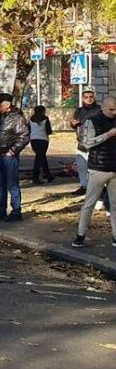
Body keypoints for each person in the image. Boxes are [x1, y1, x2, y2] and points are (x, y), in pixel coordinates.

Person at [71, 95, 116, 249]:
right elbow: (87, 143)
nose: (114, 112)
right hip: (98, 168)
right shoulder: (92, 121)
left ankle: (115, 236)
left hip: (114, 168)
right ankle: (80, 235)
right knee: (89, 203)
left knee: (114, 205)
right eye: (111, 109)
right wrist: (108, 135)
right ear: (103, 108)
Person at [0, 93, 30, 222]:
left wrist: (13, 150)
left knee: (12, 184)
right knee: (0, 185)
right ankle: (1, 210)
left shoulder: (16, 118)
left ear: (7, 105)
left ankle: (16, 211)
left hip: (9, 156)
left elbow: (24, 137)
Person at [71, 87, 101, 197]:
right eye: (86, 97)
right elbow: (74, 123)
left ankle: (98, 188)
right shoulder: (79, 110)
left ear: (94, 97)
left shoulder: (99, 110)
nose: (89, 99)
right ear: (83, 98)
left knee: (94, 167)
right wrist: (73, 123)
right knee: (81, 166)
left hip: (95, 143)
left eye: (91, 97)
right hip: (81, 142)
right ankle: (84, 186)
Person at [28, 105, 54, 184]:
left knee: (41, 157)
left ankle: (48, 175)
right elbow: (49, 131)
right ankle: (36, 177)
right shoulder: (45, 119)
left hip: (33, 140)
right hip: (43, 140)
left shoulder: (31, 120)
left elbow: (28, 130)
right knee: (40, 158)